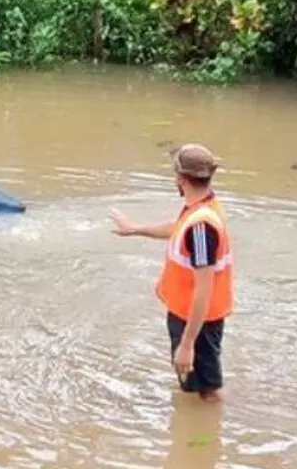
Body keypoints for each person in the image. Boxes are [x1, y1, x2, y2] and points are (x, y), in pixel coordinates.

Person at [109, 144, 234, 401]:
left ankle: (207, 435)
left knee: (208, 392)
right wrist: (134, 230)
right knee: (194, 383)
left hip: (197, 320)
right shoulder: (204, 207)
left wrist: (187, 344)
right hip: (191, 317)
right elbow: (177, 229)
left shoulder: (201, 226)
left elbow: (204, 287)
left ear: (180, 179)